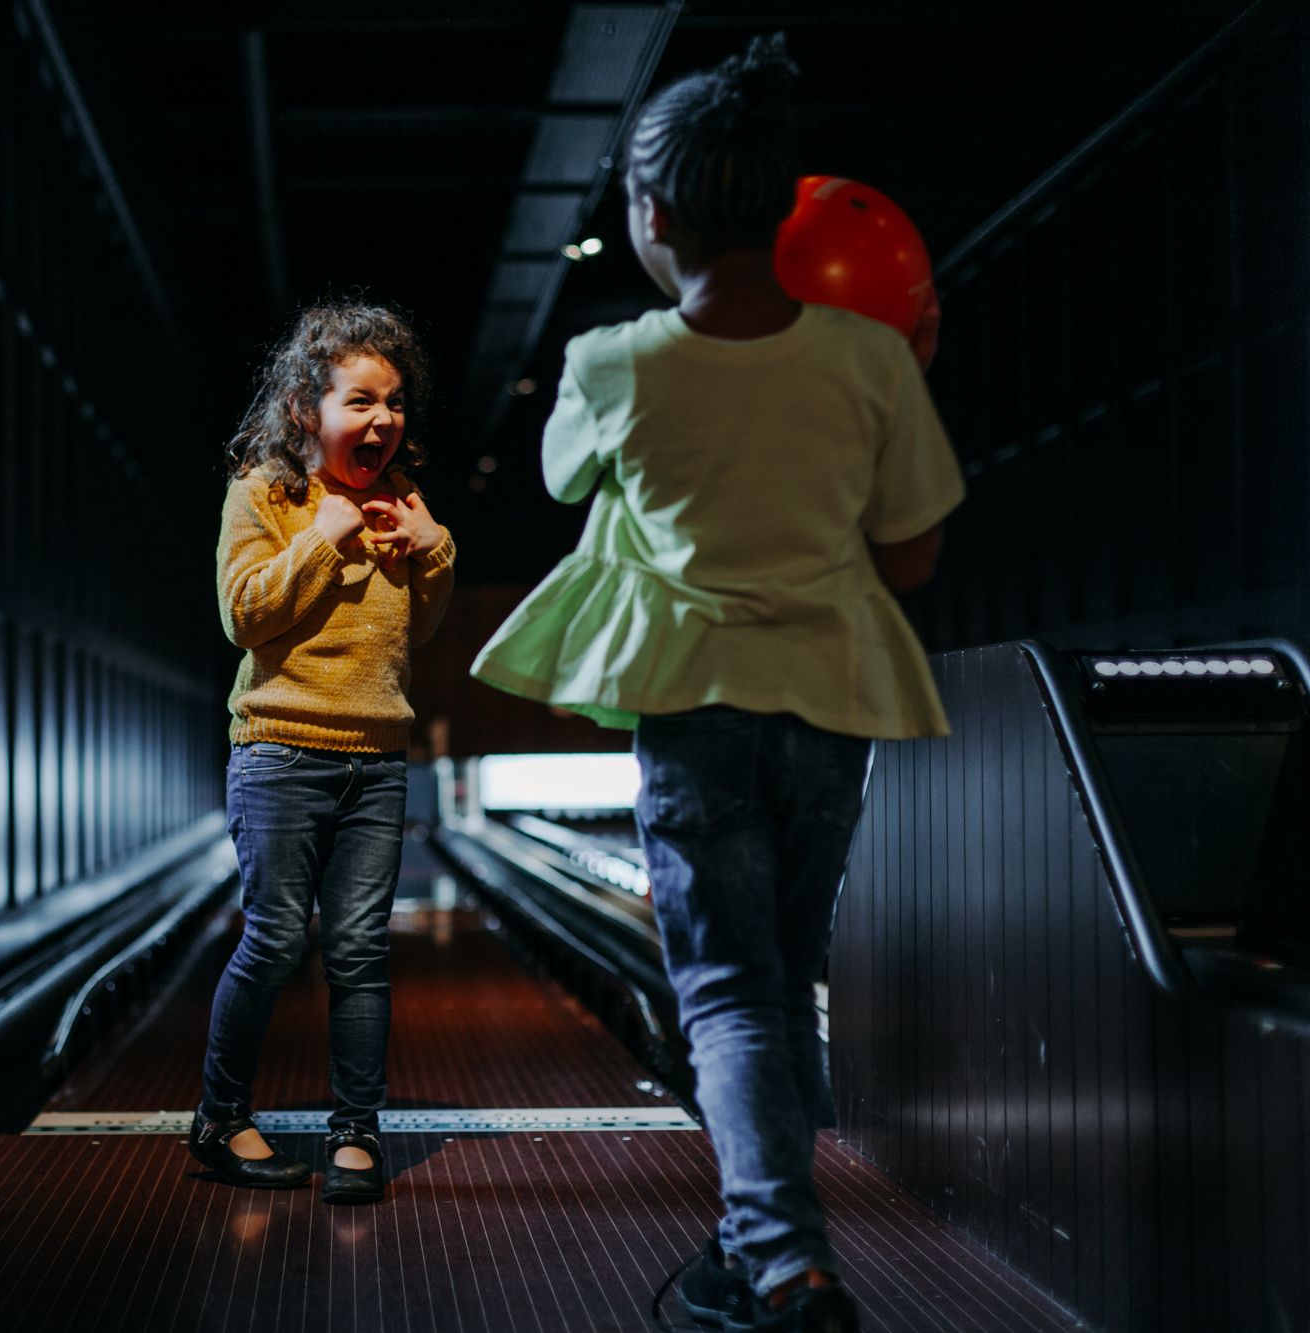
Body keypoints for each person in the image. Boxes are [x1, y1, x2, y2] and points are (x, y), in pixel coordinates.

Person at [471, 35, 961, 1333]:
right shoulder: (867, 359)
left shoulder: (617, 364)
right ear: (784, 203)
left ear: (655, 214)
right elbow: (911, 553)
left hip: (696, 713)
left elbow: (562, 482)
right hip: (831, 712)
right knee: (782, 983)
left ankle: (789, 1268)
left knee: (729, 996)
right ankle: (751, 1255)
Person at [189, 302, 456, 1205]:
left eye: (394, 402)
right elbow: (243, 614)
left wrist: (435, 551)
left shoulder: (403, 500)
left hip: (377, 759)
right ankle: (220, 1118)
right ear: (308, 408)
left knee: (358, 950)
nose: (383, 420)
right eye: (361, 401)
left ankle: (356, 1130)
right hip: (279, 753)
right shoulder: (265, 494)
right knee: (271, 940)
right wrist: (324, 537)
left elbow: (418, 625)